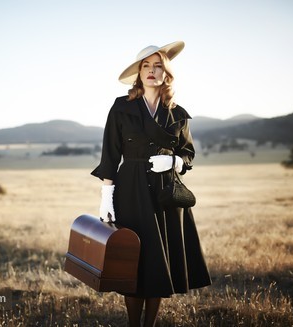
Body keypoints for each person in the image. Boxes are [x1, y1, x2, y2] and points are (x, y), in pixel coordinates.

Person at [91, 41, 211, 326]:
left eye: (158, 66)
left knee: (158, 261)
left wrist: (175, 163)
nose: (152, 71)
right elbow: (110, 154)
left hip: (165, 192)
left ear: (166, 73)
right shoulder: (122, 107)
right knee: (135, 259)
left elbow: (188, 153)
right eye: (146, 66)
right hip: (130, 188)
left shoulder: (177, 112)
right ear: (139, 72)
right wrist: (106, 196)